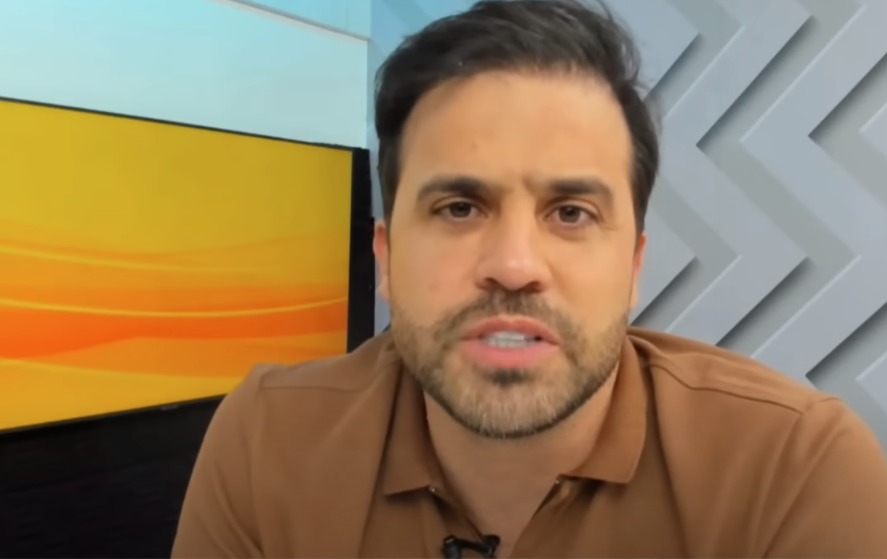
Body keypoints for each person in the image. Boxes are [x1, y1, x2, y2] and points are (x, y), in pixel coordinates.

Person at [171, 0, 887, 557]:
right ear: (385, 258)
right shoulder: (268, 442)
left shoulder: (794, 470)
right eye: (459, 207)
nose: (514, 266)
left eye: (571, 213)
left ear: (633, 266)